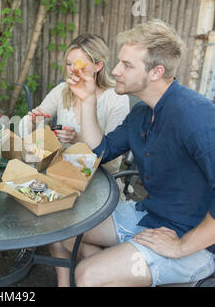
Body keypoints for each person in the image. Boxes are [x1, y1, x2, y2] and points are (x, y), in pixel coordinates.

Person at [50, 19, 215, 287]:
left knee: (88, 275)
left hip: (195, 240)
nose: (115, 70)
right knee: (64, 230)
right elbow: (100, 152)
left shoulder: (198, 115)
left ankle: (106, 271)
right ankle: (114, 270)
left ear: (155, 72)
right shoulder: (141, 112)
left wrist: (181, 247)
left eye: (127, 65)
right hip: (150, 215)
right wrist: (87, 100)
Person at [19, 34, 130, 174]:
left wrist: (77, 138)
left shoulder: (116, 98)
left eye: (78, 64)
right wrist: (34, 121)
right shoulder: (62, 90)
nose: (72, 70)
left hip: (99, 178)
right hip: (60, 171)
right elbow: (26, 128)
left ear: (98, 66)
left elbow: (112, 160)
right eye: (68, 64)